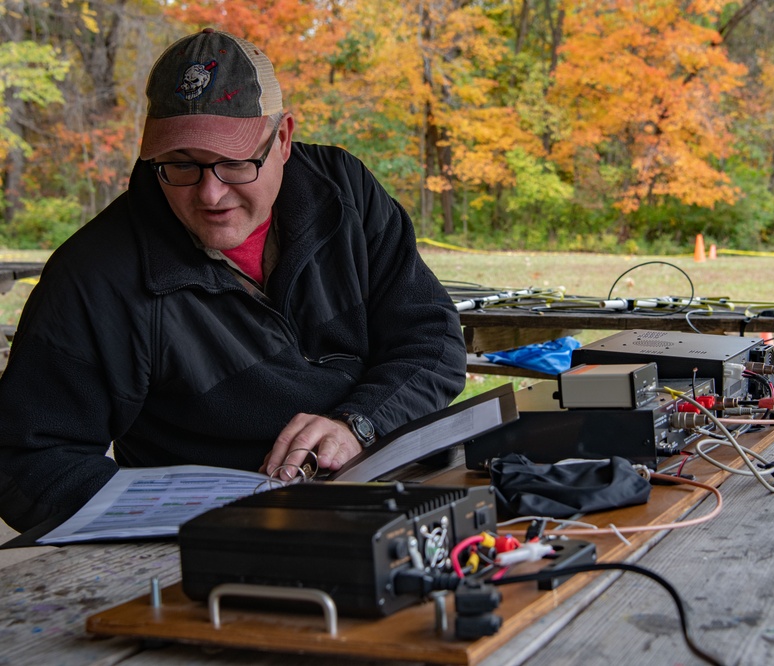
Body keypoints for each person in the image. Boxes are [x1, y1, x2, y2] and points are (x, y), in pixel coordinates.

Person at [0, 29, 467, 533]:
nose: (211, 194)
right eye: (181, 164)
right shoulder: (98, 276)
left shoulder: (345, 195)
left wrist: (358, 424)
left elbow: (433, 340)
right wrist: (189, 521)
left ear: (283, 138)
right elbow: (26, 461)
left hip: (390, 494)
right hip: (209, 545)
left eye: (234, 163)